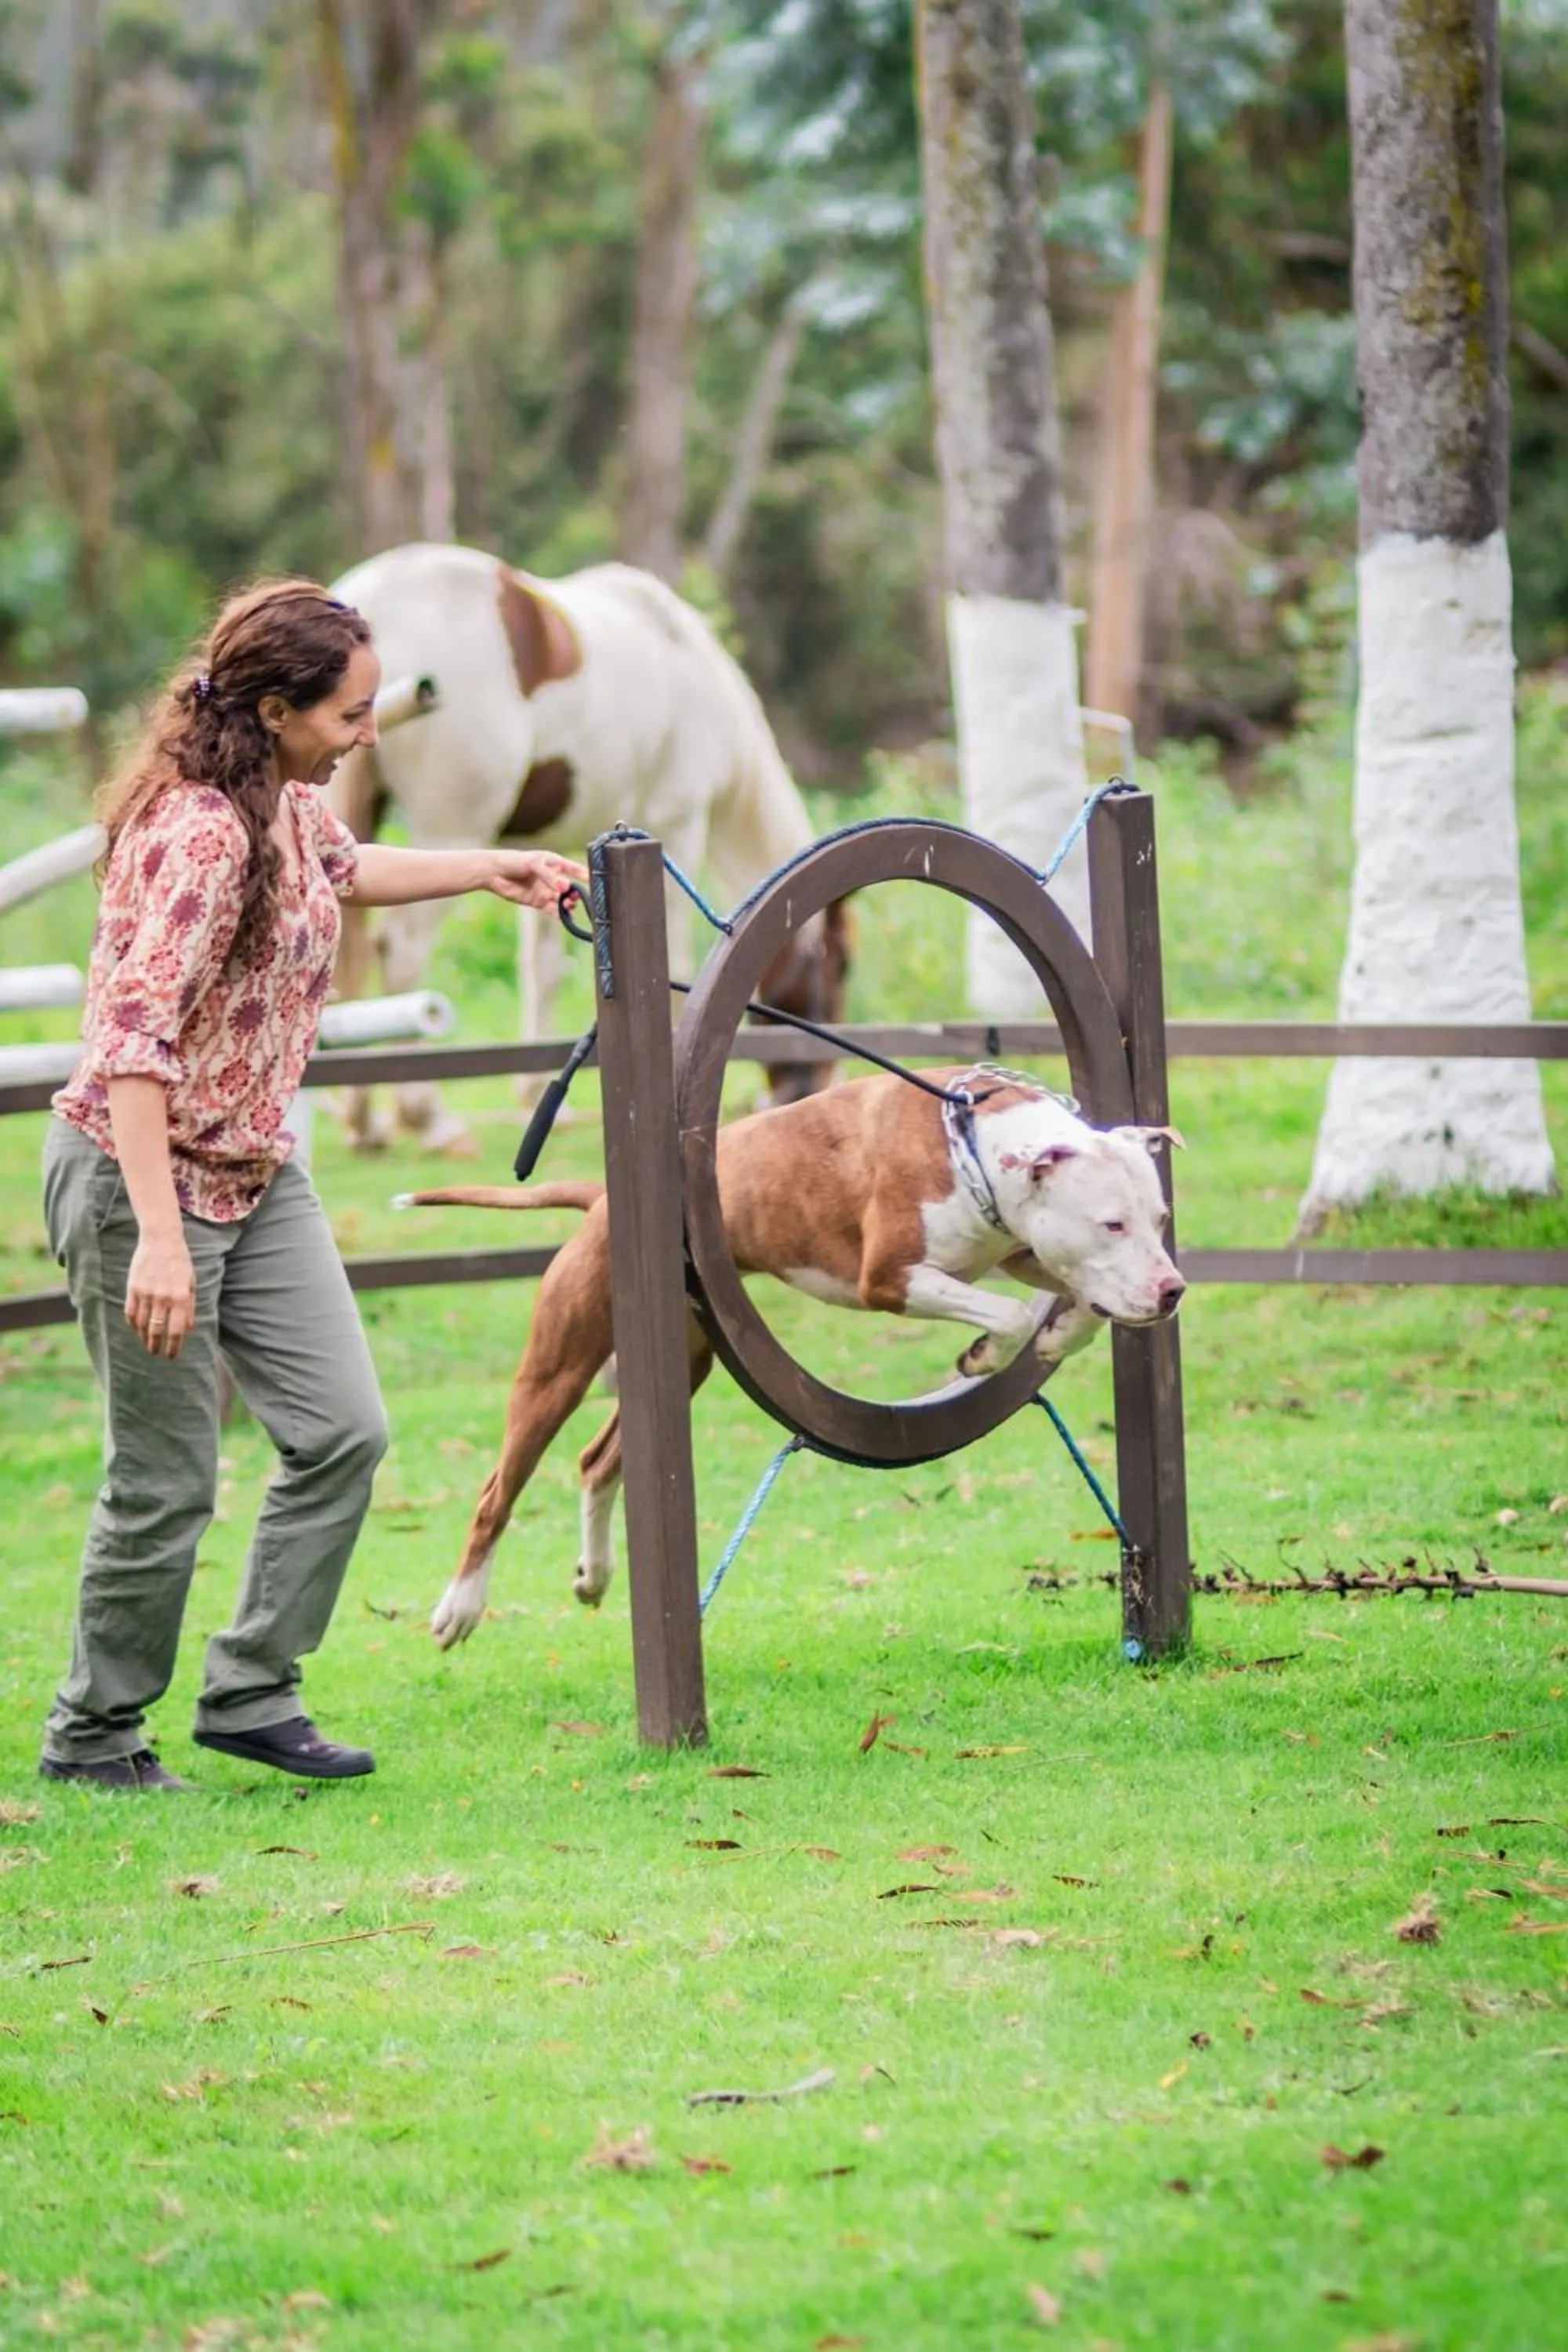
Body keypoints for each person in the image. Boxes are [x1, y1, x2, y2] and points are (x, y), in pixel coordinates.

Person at [37, 579, 586, 1791]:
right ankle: (94, 1738)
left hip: (254, 1168)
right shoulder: (200, 833)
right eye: (351, 714)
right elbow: (131, 1042)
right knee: (165, 1483)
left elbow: (346, 866)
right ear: (276, 710)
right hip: (139, 1180)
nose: (370, 733)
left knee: (343, 1432)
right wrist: (159, 1240)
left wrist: (489, 868)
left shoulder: (282, 799)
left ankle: (250, 1692)